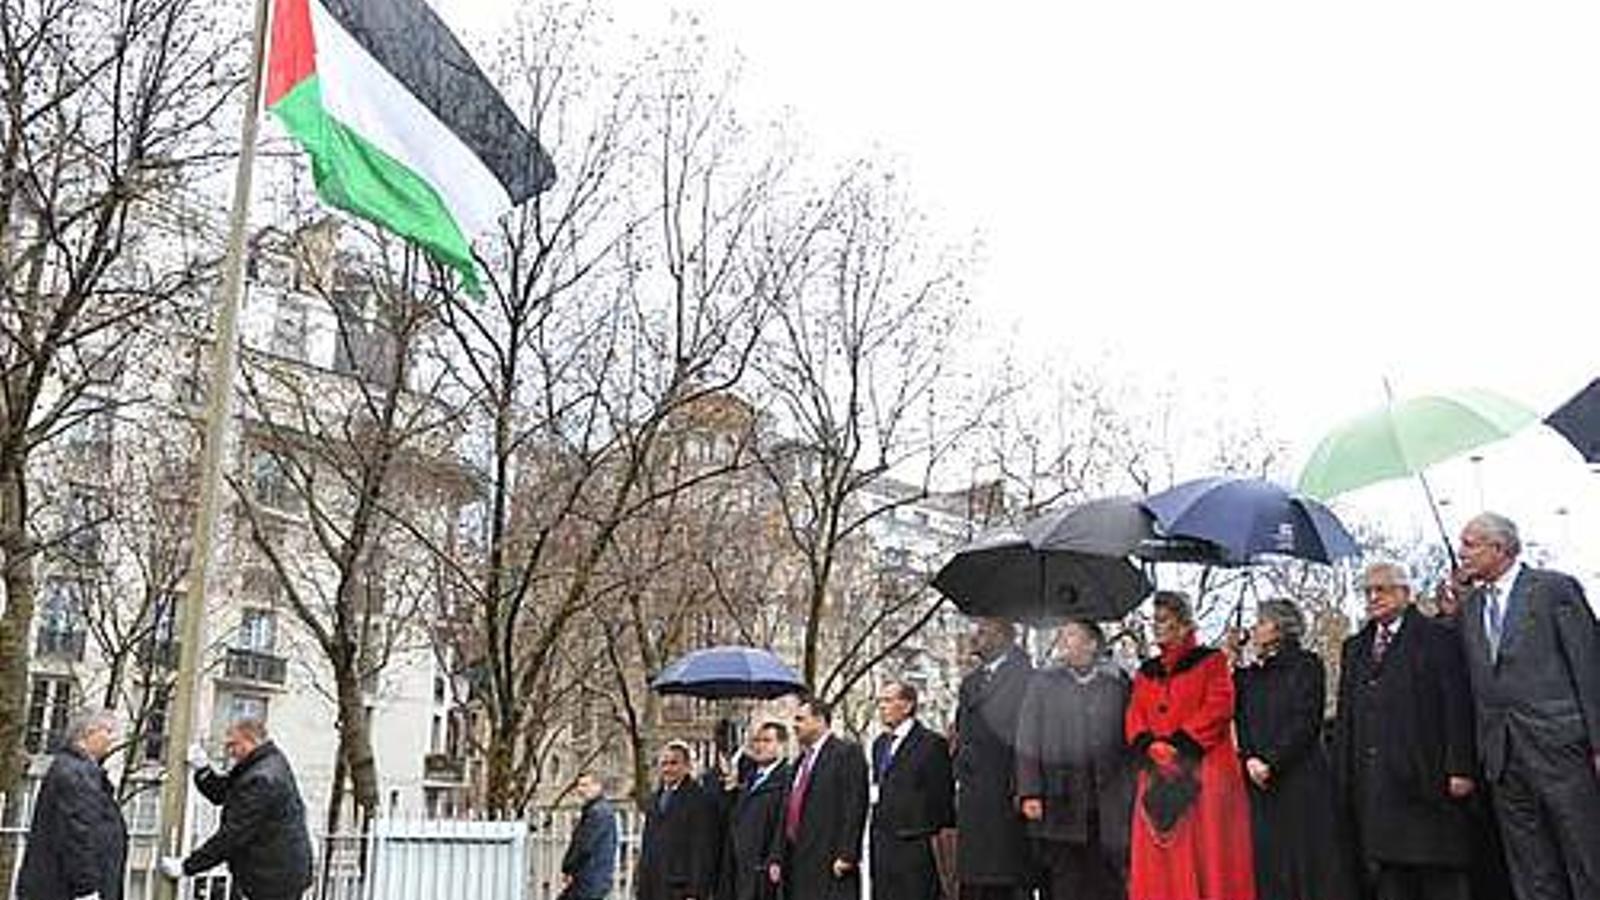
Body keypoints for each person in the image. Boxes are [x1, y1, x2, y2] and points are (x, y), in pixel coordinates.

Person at [1447, 513, 1600, 900]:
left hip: (1560, 747)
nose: (1461, 552)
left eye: (1469, 544)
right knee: (1530, 867)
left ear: (1499, 548)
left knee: (1586, 855)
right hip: (1503, 755)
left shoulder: (1553, 590)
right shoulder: (1470, 608)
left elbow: (1588, 664)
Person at [1333, 562, 1476, 900]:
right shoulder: (1355, 647)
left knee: (1439, 879)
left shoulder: (1437, 637)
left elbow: (1456, 704)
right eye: (1368, 591)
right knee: (1390, 880)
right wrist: (1344, 774)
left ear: (1404, 593)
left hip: (1426, 779)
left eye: (1381, 589)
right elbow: (1347, 716)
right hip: (1375, 785)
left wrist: (1460, 767)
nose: (1373, 597)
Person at [1125, 590, 1255, 900]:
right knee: (1158, 861)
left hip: (1202, 773)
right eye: (1154, 620)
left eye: (1163, 620)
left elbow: (1220, 706)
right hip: (1156, 773)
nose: (1155, 627)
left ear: (1184, 625)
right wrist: (1147, 745)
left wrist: (1180, 746)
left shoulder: (1212, 661)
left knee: (1206, 854)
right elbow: (1134, 713)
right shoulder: (1146, 672)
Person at [1235, 599, 1354, 900]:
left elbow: (1306, 720)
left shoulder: (1306, 665)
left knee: (1308, 862)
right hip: (1260, 783)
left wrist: (1271, 761)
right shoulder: (1250, 676)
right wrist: (1250, 758)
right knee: (1270, 865)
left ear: (1280, 628)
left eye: (1261, 622)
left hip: (1300, 778)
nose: (1254, 627)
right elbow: (1240, 719)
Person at [1015, 620, 1133, 900]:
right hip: (1061, 801)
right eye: (1062, 634)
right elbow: (1027, 739)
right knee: (1065, 882)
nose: (1063, 640)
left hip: (1108, 803)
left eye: (1071, 635)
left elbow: (1131, 737)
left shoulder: (1117, 683)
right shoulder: (1044, 683)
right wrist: (1029, 792)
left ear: (1092, 644)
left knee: (1108, 881)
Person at [159, 717, 312, 900]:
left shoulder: (262, 778)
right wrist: (204, 770)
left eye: (233, 745)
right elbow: (222, 793)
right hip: (276, 872)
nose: (230, 752)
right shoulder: (262, 763)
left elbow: (232, 835)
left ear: (250, 741)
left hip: (272, 879)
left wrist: (187, 866)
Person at [954, 618, 1034, 900]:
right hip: (974, 795)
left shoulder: (1026, 677)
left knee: (1006, 877)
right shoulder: (970, 683)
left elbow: (1031, 737)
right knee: (974, 879)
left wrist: (1024, 789)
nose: (976, 637)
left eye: (984, 632)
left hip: (1006, 791)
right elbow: (962, 730)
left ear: (1004, 637)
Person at [17, 708, 128, 900]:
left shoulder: (77, 770)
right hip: (64, 889)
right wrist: (86, 888)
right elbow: (77, 834)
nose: (112, 739)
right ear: (88, 733)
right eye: (108, 731)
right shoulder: (76, 773)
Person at [774, 695, 868, 900]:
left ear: (820, 720)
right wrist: (777, 856)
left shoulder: (847, 753)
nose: (794, 725)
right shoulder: (799, 762)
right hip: (796, 862)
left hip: (829, 861)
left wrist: (847, 854)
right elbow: (787, 811)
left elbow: (855, 805)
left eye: (800, 719)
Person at [870, 680, 955, 900]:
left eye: (888, 700)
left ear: (907, 706)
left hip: (914, 847)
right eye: (880, 701)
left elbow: (942, 799)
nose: (881, 706)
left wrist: (919, 828)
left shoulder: (931, 744)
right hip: (882, 846)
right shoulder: (879, 744)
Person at [636, 740, 719, 900]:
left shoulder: (700, 799)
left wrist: (696, 892)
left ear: (687, 766)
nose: (667, 769)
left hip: (680, 888)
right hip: (652, 887)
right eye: (664, 763)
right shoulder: (655, 799)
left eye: (674, 763)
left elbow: (703, 849)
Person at [719, 721, 790, 900]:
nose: (759, 746)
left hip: (762, 875)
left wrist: (774, 859)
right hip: (737, 871)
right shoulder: (747, 779)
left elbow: (782, 825)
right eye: (756, 741)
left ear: (782, 745)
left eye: (767, 741)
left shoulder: (787, 779)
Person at [560, 772, 619, 900]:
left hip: (589, 878)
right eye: (579, 785)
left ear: (598, 786)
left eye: (585, 785)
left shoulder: (598, 812)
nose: (580, 789)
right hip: (591, 878)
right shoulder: (595, 810)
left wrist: (568, 868)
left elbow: (584, 845)